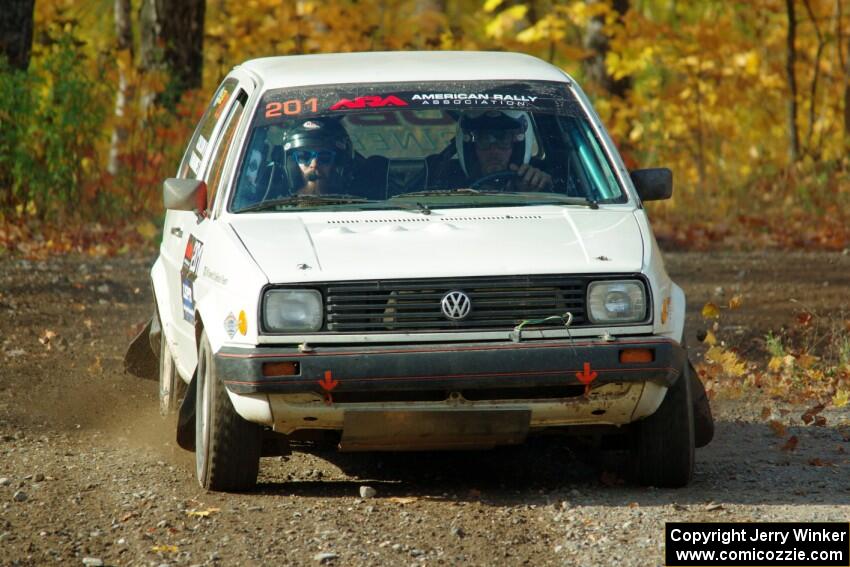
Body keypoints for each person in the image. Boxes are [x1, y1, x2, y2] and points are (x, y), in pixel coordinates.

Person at [429, 110, 552, 192]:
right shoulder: (445, 183)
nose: (494, 150)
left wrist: (539, 191)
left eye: (503, 139)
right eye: (484, 140)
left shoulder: (536, 180)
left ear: (517, 147)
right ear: (471, 148)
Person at [281, 118, 356, 195]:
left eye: (324, 157)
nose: (314, 165)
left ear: (337, 163)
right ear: (292, 164)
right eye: (304, 156)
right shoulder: (275, 204)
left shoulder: (359, 202)